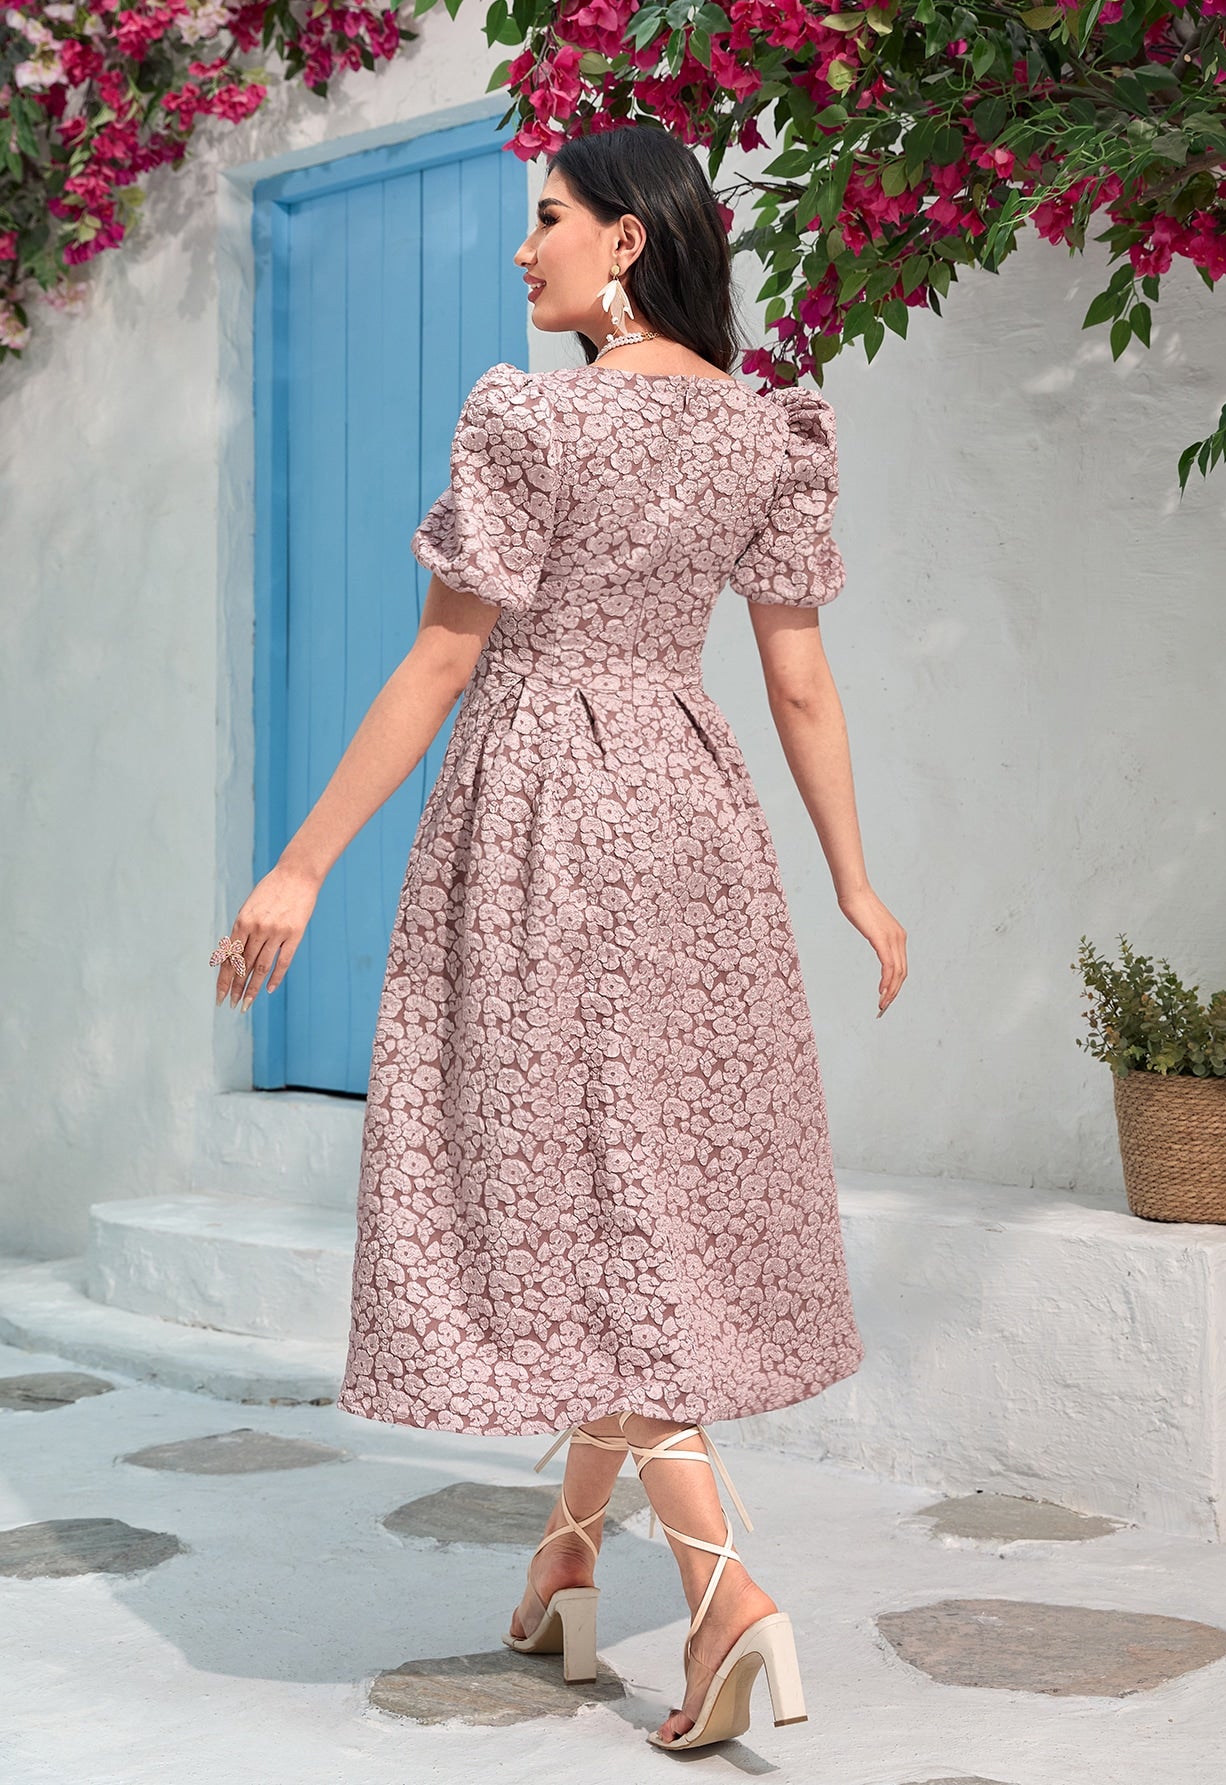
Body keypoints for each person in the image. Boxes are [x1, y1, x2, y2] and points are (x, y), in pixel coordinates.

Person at [211, 121, 907, 1752]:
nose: (524, 251)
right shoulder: (768, 433)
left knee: (585, 1187)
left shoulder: (530, 415)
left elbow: (442, 662)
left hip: (542, 806)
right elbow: (800, 678)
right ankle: (568, 1566)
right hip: (693, 807)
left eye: (548, 220)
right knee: (626, 1167)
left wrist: (300, 865)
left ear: (628, 241)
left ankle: (725, 1592)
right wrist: (855, 879)